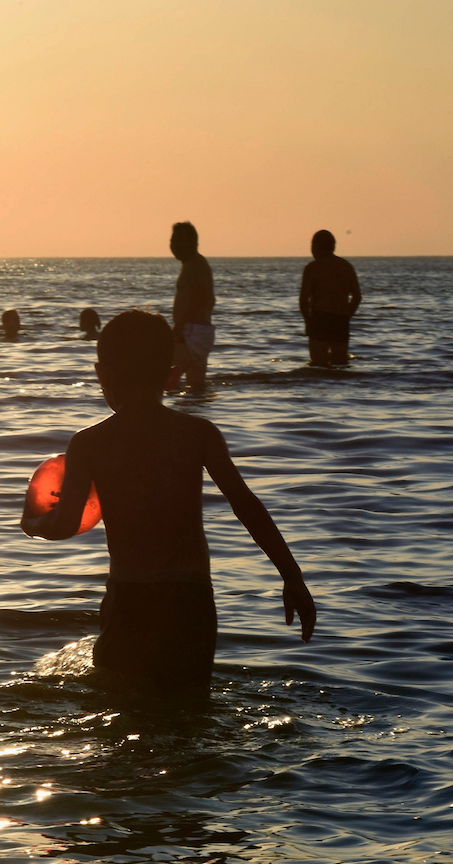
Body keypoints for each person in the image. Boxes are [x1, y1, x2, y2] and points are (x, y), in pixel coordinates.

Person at [21, 310, 315, 695]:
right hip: (190, 603)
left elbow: (63, 523)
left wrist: (32, 523)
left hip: (131, 600)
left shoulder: (90, 443)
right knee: (190, 716)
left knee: (123, 721)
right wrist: (292, 576)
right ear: (171, 374)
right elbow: (247, 505)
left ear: (102, 374)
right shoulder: (198, 434)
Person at [299, 230, 362, 366]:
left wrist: (308, 322)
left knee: (317, 364)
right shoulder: (346, 267)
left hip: (319, 319)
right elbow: (357, 297)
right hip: (340, 320)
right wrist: (347, 316)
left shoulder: (312, 268)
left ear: (315, 247)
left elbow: (303, 300)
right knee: (340, 364)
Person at [167, 222, 215, 389]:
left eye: (180, 241)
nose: (174, 246)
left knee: (166, 373)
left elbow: (202, 297)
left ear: (193, 243)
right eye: (173, 241)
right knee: (195, 384)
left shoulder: (196, 265)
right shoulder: (193, 264)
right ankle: (196, 410)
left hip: (192, 331)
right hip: (198, 331)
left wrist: (180, 326)